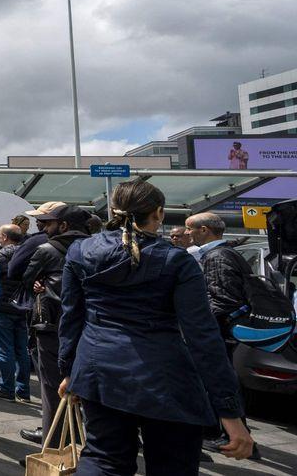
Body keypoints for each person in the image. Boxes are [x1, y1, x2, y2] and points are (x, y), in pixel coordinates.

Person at [58, 179, 254, 472]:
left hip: (98, 369)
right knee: (171, 464)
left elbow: (71, 317)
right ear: (159, 213)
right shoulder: (177, 261)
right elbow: (202, 337)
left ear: (113, 210)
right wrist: (229, 412)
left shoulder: (80, 251)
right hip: (165, 378)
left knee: (102, 458)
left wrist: (69, 370)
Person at [189, 211, 262, 459]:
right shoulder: (223, 253)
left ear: (205, 230)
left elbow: (222, 299)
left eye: (191, 229)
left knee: (223, 381)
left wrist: (199, 322)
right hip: (224, 330)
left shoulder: (217, 256)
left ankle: (235, 436)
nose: (187, 234)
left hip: (220, 331)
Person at [19, 204, 91, 445]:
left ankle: (53, 446)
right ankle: (87, 441)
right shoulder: (96, 248)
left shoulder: (46, 249)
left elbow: (26, 278)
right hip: (91, 326)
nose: (43, 228)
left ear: (63, 225)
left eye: (48, 224)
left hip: (52, 324)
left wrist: (42, 283)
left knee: (52, 387)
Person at [0, 224, 31, 403]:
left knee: (4, 348)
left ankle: (6, 387)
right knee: (22, 349)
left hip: (1, 307)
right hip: (22, 307)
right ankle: (23, 390)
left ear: (5, 237)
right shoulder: (28, 254)